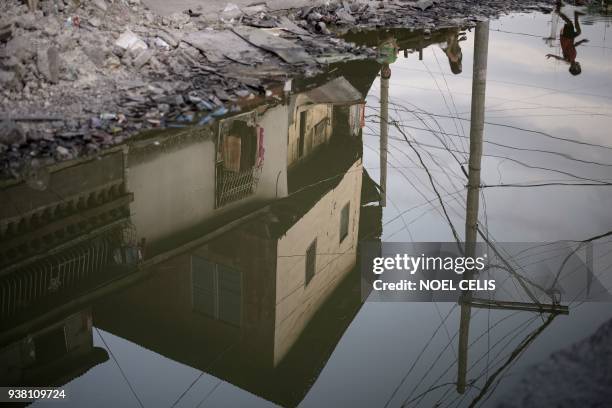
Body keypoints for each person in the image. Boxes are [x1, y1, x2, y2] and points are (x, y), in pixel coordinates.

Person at [546, 4, 589, 75]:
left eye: (578, 68)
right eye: (579, 67)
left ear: (573, 68)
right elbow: (574, 46)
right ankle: (576, 15)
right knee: (578, 31)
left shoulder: (568, 60)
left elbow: (559, 58)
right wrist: (582, 41)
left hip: (566, 38)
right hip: (570, 38)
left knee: (569, 23)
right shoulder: (573, 57)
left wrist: (551, 55)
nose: (579, 66)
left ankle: (558, 12)